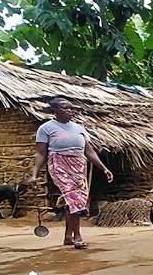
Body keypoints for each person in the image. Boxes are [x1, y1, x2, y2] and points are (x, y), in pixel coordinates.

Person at [25, 98, 112, 249]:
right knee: (74, 197)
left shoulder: (79, 128)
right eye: (65, 108)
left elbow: (89, 151)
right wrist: (34, 174)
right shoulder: (46, 128)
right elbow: (40, 153)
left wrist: (104, 168)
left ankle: (67, 237)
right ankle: (77, 236)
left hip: (79, 165)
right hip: (58, 164)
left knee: (72, 200)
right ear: (54, 111)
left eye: (71, 108)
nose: (70, 110)